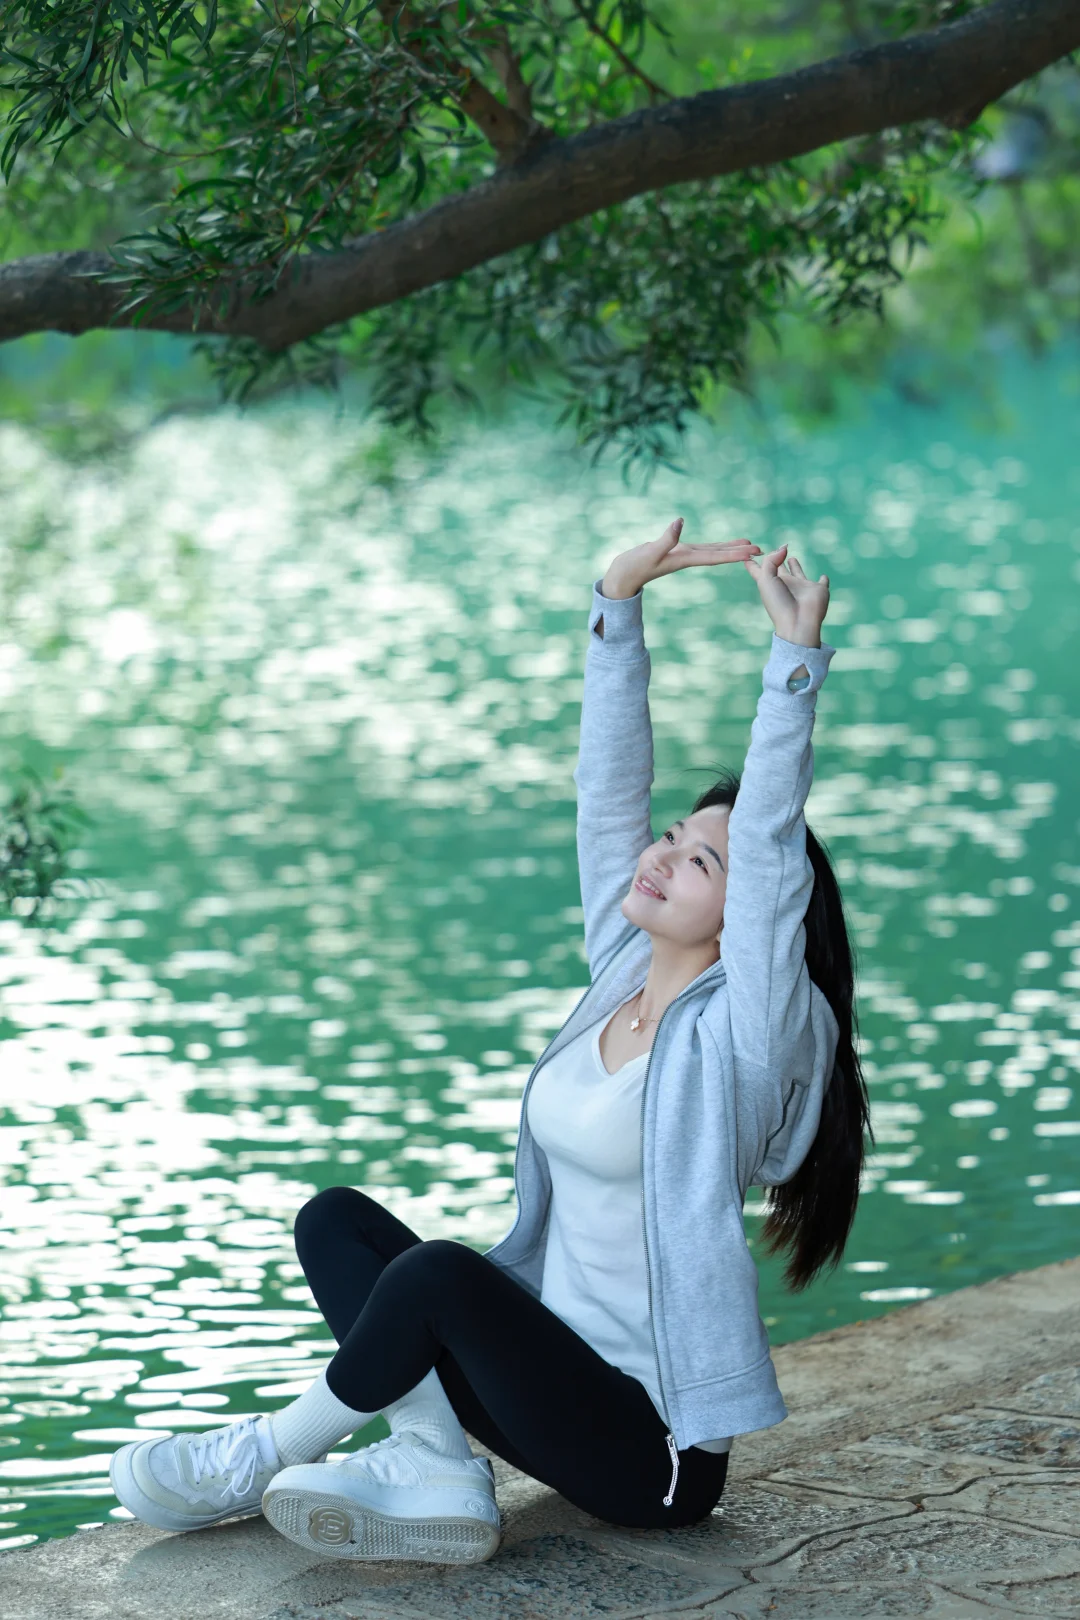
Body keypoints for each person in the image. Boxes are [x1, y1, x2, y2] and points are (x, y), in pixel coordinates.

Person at [108, 518, 870, 1565]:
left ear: (750, 920)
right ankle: (441, 1467)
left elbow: (774, 838)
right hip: (539, 1378)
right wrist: (618, 601)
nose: (660, 854)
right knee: (337, 1222)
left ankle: (258, 1455)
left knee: (437, 1277)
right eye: (672, 836)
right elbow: (606, 792)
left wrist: (793, 668)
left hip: (648, 1450)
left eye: (700, 861)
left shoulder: (747, 1035)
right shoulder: (617, 974)